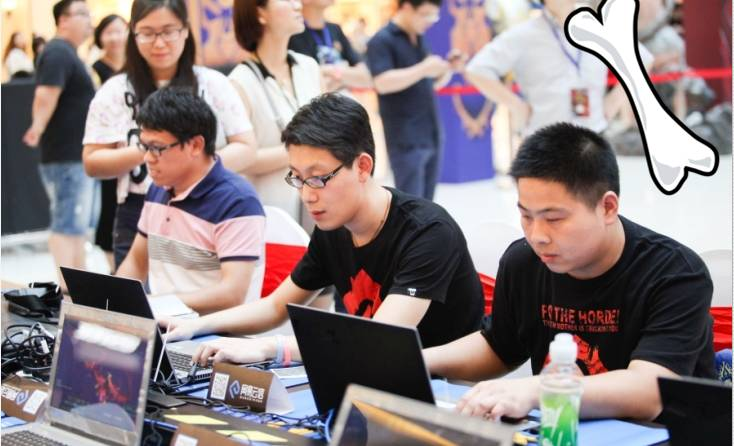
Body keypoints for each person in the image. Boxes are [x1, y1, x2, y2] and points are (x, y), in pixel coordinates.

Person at [163, 93, 484, 365]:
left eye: (318, 178)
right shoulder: (333, 228)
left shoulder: (427, 232)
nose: (307, 195)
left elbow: (378, 339)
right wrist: (194, 326)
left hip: (441, 387)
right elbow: (275, 307)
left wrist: (271, 348)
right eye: (297, 178)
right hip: (362, 373)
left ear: (363, 166)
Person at [424, 122, 715, 422]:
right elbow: (498, 346)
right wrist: (419, 359)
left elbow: (650, 392)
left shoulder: (674, 273)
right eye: (526, 216)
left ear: (608, 207)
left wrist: (538, 389)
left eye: (554, 219)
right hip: (561, 431)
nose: (537, 235)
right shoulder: (523, 261)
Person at [83, 0, 256, 268]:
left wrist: (194, 169)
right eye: (147, 33)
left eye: (168, 31)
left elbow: (246, 147)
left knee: (195, 290)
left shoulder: (213, 84)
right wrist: (151, 148)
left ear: (185, 30)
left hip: (206, 205)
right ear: (133, 34)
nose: (159, 43)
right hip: (137, 207)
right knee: (133, 291)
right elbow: (92, 162)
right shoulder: (115, 91)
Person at [116, 88, 265, 314]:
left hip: (214, 330)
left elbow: (232, 294)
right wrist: (111, 301)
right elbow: (136, 263)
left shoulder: (237, 201)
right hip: (162, 320)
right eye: (145, 147)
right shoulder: (158, 188)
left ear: (195, 145)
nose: (147, 158)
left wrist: (157, 305)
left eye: (156, 148)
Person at [464, 0, 648, 137]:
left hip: (594, 135)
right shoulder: (525, 34)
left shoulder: (597, 28)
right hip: (545, 140)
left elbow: (643, 59)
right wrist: (516, 105)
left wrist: (614, 101)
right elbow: (477, 70)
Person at [22, 0, 96, 291]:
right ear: (63, 20)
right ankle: (69, 288)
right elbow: (45, 94)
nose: (89, 21)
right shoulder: (57, 52)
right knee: (67, 221)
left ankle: (80, 284)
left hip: (74, 155)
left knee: (75, 224)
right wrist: (37, 127)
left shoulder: (68, 53)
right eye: (82, 14)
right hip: (66, 156)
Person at [228, 0, 322, 222]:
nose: (298, 5)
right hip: (270, 214)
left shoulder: (308, 66)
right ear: (260, 13)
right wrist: (306, 150)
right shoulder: (239, 82)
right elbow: (240, 160)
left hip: (318, 207)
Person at [366, 0, 460, 201]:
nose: (430, 21)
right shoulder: (382, 40)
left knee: (427, 204)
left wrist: (447, 68)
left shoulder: (419, 37)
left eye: (434, 15)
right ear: (407, 7)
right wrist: (424, 68)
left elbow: (429, 83)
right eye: (425, 14)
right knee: (411, 204)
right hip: (405, 137)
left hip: (431, 132)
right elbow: (382, 82)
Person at [91, 14, 128, 272]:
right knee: (110, 204)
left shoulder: (137, 66)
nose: (115, 37)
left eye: (119, 30)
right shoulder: (95, 69)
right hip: (109, 146)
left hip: (133, 145)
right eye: (109, 32)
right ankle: (113, 265)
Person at [288, 0, 372, 92]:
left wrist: (330, 72)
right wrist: (346, 74)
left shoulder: (335, 29)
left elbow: (366, 77)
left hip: (342, 97)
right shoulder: (294, 33)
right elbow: (307, 83)